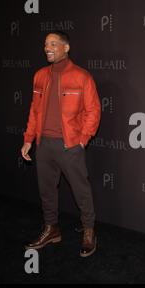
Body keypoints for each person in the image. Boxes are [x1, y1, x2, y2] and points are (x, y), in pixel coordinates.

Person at [21, 31, 101, 257]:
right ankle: (51, 229)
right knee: (46, 191)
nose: (48, 47)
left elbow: (93, 110)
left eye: (53, 43)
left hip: (69, 145)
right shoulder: (39, 76)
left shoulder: (81, 76)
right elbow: (34, 111)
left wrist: (82, 140)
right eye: (46, 44)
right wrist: (29, 139)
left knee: (80, 190)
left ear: (66, 48)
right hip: (44, 144)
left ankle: (88, 230)